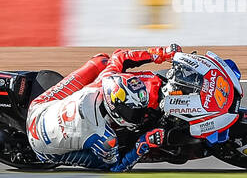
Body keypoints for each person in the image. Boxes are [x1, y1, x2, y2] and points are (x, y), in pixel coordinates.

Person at [25, 45, 182, 171]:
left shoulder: (105, 80)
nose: (142, 115)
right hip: (42, 148)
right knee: (105, 164)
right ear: (116, 110)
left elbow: (121, 56)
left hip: (40, 106)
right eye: (133, 112)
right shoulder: (105, 136)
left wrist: (162, 54)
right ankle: (54, 156)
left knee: (102, 61)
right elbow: (117, 167)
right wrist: (143, 144)